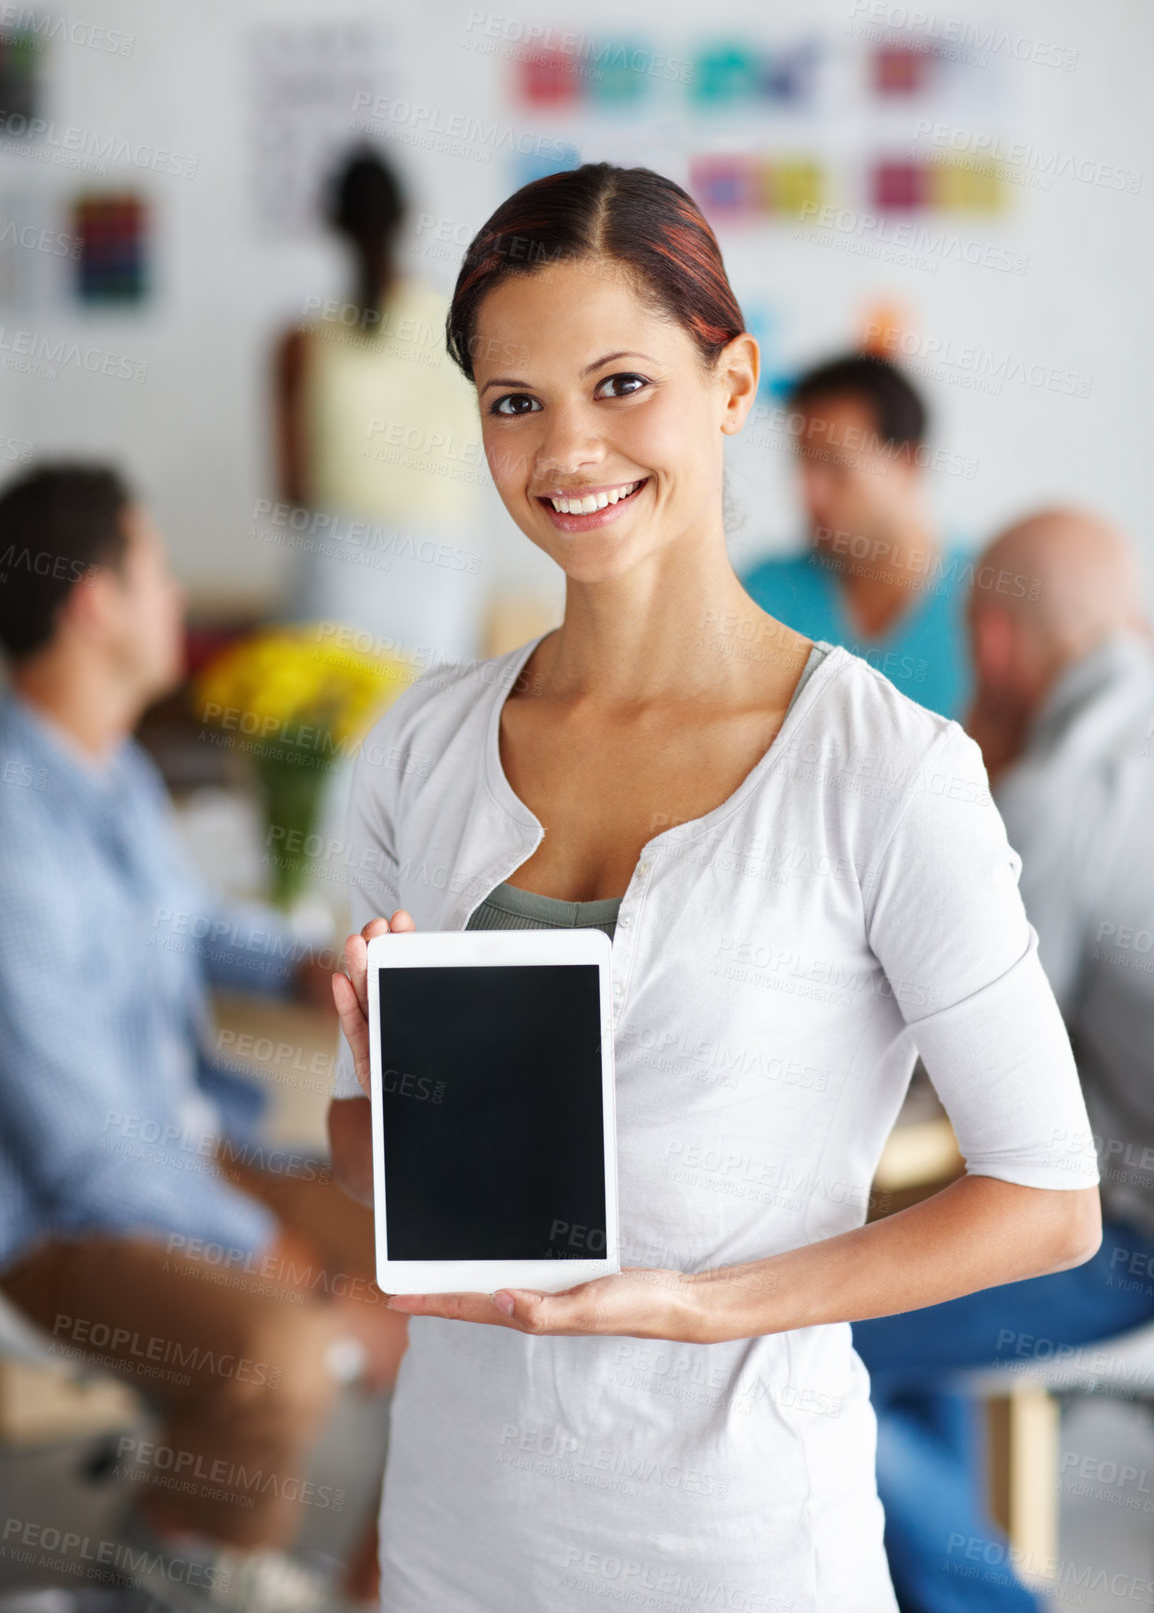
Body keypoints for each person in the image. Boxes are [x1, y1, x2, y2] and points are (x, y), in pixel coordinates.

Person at [324, 163, 1101, 1612]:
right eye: (514, 401)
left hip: (740, 1546)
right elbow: (366, 1164)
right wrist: (395, 1087)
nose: (566, 450)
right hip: (459, 1534)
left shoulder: (884, 770)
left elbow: (1047, 1200)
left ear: (731, 382)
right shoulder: (419, 748)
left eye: (621, 383)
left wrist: (700, 1307)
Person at [0, 463, 407, 1613]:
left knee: (440, 1274)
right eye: (158, 568)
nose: (178, 595)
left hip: (183, 1152)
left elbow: (185, 924)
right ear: (95, 604)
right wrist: (299, 1273)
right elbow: (87, 1152)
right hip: (65, 1222)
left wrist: (306, 961)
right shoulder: (11, 832)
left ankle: (375, 1595)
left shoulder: (113, 771)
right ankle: (171, 1554)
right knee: (277, 1350)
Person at [855, 509, 1154, 1612]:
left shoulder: (1054, 798)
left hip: (1130, 1245)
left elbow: (933, 1055)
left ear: (987, 648)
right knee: (905, 1275)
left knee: (804, 1341)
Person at [274, 147, 491, 664]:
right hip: (442, 567)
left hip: (337, 569)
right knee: (434, 735)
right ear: (407, 215)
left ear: (332, 222)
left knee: (333, 739)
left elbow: (293, 491)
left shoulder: (298, 345)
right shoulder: (468, 332)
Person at [741, 353, 973, 719]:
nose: (809, 492)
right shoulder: (760, 598)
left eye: (835, 467)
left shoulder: (988, 603)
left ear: (907, 462)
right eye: (804, 463)